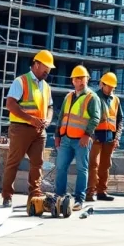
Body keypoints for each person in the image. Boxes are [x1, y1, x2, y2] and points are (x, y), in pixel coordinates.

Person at [2, 49, 55, 208]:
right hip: (21, 128)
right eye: (46, 67)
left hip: (40, 131)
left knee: (37, 163)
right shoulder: (21, 81)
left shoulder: (46, 86)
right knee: (14, 162)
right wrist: (31, 119)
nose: (48, 70)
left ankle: (35, 196)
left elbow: (50, 107)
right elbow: (10, 104)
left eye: (49, 68)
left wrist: (48, 120)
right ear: (36, 64)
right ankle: (7, 195)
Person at [54, 65, 101, 209]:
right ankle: (59, 196)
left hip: (82, 140)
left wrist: (87, 135)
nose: (79, 81)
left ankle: (79, 199)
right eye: (76, 79)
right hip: (66, 138)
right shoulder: (68, 96)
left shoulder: (92, 97)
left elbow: (95, 118)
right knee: (60, 167)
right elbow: (61, 116)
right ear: (72, 80)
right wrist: (57, 135)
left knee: (82, 169)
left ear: (87, 79)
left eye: (82, 78)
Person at [87, 71, 123, 201]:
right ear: (102, 84)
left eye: (113, 87)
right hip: (96, 137)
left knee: (105, 165)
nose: (111, 89)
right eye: (109, 86)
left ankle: (101, 191)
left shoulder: (116, 100)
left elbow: (120, 119)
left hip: (109, 138)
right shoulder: (93, 97)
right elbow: (88, 117)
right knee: (93, 164)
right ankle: (90, 192)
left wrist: (117, 137)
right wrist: (91, 134)